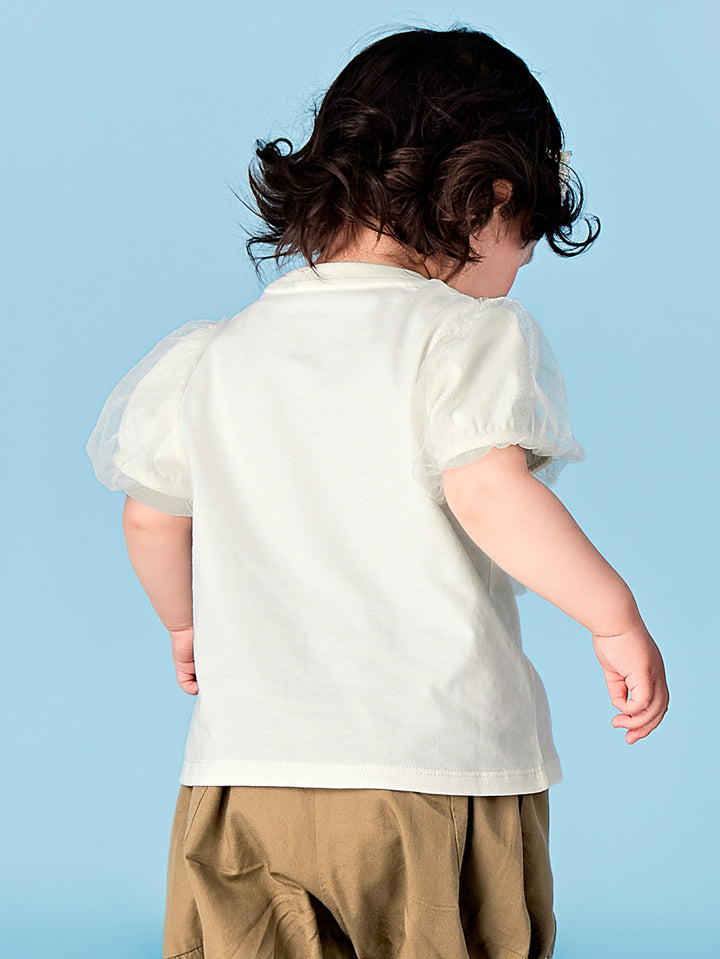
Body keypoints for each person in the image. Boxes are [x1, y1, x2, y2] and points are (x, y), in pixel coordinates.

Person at [86, 26, 669, 959]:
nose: (522, 266)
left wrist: (184, 623)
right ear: (491, 198)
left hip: (249, 776)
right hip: (433, 772)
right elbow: (487, 491)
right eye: (528, 236)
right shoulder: (463, 336)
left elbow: (151, 513)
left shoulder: (216, 354)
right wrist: (614, 614)